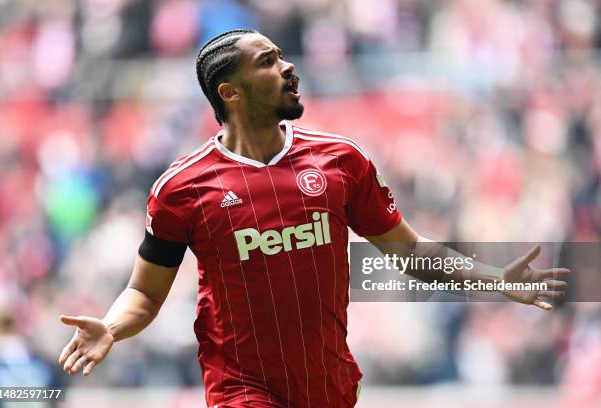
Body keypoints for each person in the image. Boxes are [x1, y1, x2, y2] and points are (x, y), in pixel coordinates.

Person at [58, 29, 570, 408]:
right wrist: (110, 327)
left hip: (330, 385)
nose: (287, 68)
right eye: (268, 62)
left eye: (282, 57)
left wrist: (493, 278)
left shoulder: (341, 162)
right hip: (242, 390)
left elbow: (410, 251)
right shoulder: (181, 188)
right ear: (229, 92)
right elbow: (146, 293)